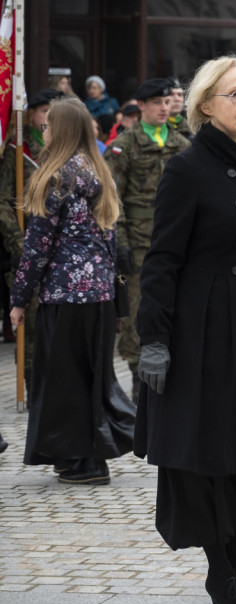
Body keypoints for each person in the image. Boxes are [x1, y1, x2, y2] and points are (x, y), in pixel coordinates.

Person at [135, 56, 236, 604]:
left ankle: (235, 545)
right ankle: (221, 562)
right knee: (209, 454)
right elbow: (161, 259)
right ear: (206, 106)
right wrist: (153, 339)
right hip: (203, 326)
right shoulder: (187, 168)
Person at [9, 96, 134, 485]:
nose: (42, 131)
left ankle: (84, 462)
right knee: (91, 378)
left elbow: (37, 247)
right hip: (97, 296)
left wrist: (18, 299)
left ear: (59, 130)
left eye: (47, 126)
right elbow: (111, 243)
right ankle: (79, 456)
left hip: (64, 296)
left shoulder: (55, 176)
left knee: (65, 381)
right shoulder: (100, 173)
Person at [104, 78, 191, 401]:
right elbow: (114, 199)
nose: (163, 108)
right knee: (139, 306)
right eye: (156, 103)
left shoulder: (182, 145)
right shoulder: (124, 146)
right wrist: (120, 242)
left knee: (179, 301)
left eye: (167, 102)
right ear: (141, 106)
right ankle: (139, 369)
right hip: (139, 243)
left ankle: (174, 361)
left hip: (177, 241)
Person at [0, 88, 60, 396]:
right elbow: (2, 202)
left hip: (63, 253)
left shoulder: (65, 150)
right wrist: (19, 243)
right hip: (29, 248)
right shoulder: (16, 152)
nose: (48, 117)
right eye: (42, 111)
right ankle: (34, 389)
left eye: (54, 111)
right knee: (32, 325)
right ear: (31, 115)